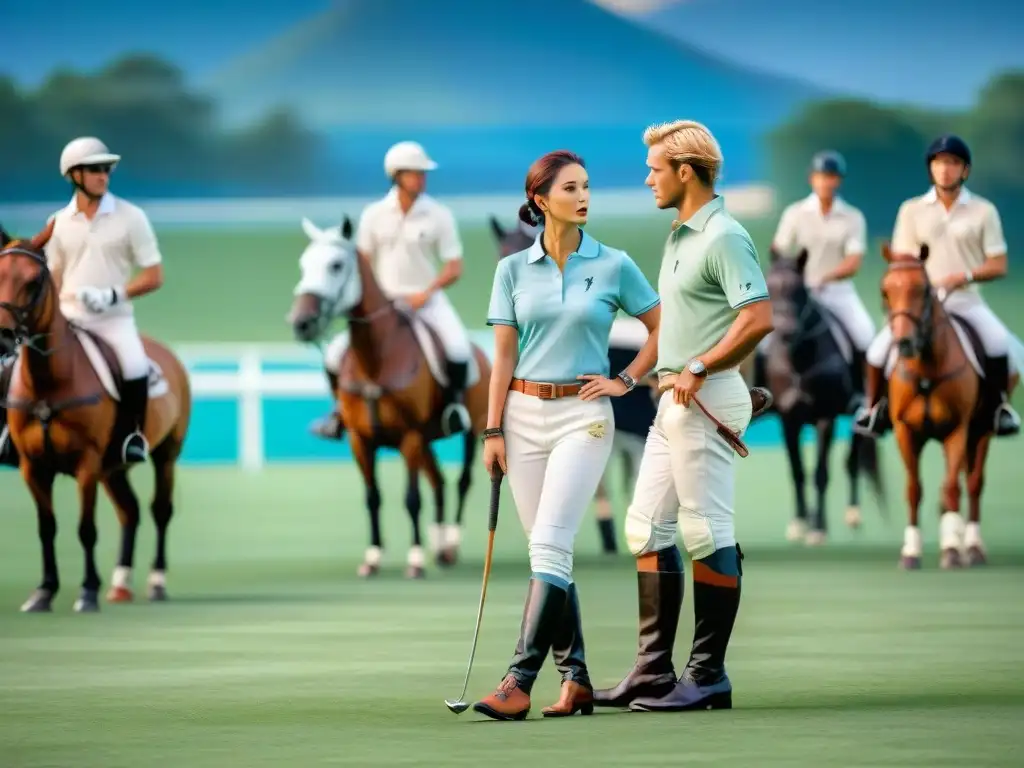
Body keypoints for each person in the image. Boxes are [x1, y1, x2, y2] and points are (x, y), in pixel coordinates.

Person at [471, 150, 661, 721]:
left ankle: (518, 680)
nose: (583, 197)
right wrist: (492, 429)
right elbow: (502, 357)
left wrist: (626, 380)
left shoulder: (613, 263)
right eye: (571, 188)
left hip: (586, 415)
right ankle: (576, 679)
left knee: (551, 543)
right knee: (545, 551)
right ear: (540, 199)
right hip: (523, 417)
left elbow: (659, 326)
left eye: (587, 187)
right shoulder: (510, 271)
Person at [593, 120, 774, 713]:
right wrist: (646, 371)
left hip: (704, 398)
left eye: (655, 169)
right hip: (673, 400)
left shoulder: (723, 235)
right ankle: (652, 671)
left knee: (705, 532)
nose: (647, 179)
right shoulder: (680, 235)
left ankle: (708, 676)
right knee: (645, 528)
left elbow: (758, 318)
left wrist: (697, 364)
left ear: (686, 172)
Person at [7, 137, 164, 465]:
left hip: (113, 318)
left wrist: (112, 295)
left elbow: (153, 276)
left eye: (106, 169)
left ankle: (130, 435)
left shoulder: (131, 217)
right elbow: (53, 277)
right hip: (67, 317)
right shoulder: (58, 222)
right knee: (14, 366)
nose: (103, 176)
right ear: (75, 176)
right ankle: (10, 433)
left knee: (135, 364)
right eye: (95, 170)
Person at [854, 134, 1020, 438]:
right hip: (921, 303)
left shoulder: (984, 211)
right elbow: (903, 259)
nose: (945, 169)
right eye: (939, 162)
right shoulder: (911, 209)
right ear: (931, 168)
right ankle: (873, 409)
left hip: (966, 300)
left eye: (953, 163)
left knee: (999, 344)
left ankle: (999, 409)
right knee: (878, 351)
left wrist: (963, 276)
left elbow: (998, 264)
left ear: (965, 170)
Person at [308, 141, 473, 439]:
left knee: (459, 348)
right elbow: (364, 262)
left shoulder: (439, 215)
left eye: (423, 173)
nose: (422, 179)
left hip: (427, 301)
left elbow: (454, 267)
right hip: (384, 306)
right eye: (415, 173)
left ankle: (453, 409)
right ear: (396, 176)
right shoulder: (373, 215)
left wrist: (427, 292)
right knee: (334, 355)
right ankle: (339, 412)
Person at [767, 150, 874, 408]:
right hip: (798, 295)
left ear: (838, 181)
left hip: (837, 292)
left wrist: (826, 277)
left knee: (865, 335)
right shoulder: (795, 213)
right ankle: (761, 396)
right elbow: (780, 249)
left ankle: (864, 399)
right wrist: (791, 276)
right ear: (812, 179)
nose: (825, 182)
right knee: (765, 341)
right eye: (820, 176)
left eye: (831, 177)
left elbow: (853, 260)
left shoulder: (852, 216)